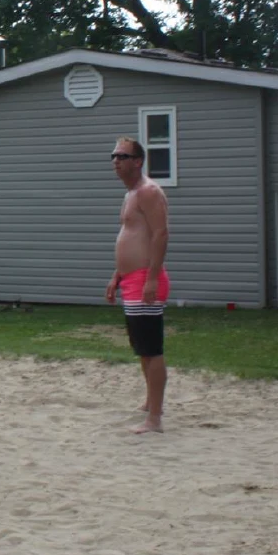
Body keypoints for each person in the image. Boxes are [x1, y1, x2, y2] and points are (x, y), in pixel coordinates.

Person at [106, 137, 171, 434]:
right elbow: (132, 236)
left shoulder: (148, 192)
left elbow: (160, 235)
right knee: (142, 348)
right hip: (132, 279)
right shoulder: (130, 193)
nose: (115, 160)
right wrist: (117, 276)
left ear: (138, 161)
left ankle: (155, 418)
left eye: (122, 155)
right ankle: (150, 402)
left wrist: (153, 277)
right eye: (113, 156)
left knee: (151, 348)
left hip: (146, 278)